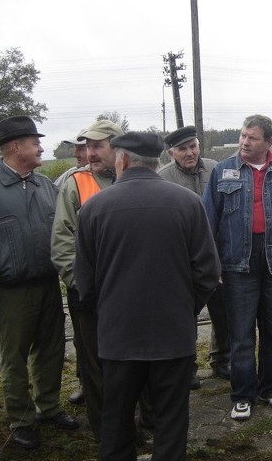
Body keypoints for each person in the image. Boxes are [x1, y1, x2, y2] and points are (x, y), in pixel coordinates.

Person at [74, 132, 221, 461]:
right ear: (157, 161)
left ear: (123, 159)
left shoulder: (94, 209)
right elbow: (208, 272)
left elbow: (85, 282)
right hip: (173, 333)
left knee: (117, 420)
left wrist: (110, 312)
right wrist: (185, 309)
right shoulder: (189, 204)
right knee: (171, 419)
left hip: (118, 337)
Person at [202, 115, 272, 421]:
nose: (244, 142)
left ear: (268, 143)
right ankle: (242, 395)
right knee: (240, 334)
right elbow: (207, 221)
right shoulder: (223, 171)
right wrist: (210, 264)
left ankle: (270, 388)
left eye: (252, 138)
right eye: (242, 136)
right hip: (236, 264)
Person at [0, 116, 79, 450]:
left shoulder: (45, 185)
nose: (40, 148)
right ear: (16, 147)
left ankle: (49, 407)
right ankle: (21, 419)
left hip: (49, 285)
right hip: (11, 290)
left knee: (51, 350)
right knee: (14, 357)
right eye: (35, 143)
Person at [51, 119, 122, 439]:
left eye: (98, 146)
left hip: (128, 291)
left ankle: (138, 419)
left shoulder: (130, 178)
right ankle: (104, 427)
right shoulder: (75, 183)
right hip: (89, 293)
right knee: (94, 364)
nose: (90, 153)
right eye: (88, 147)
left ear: (117, 148)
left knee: (132, 360)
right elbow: (62, 241)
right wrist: (78, 283)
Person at [159, 126, 230, 387]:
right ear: (171, 153)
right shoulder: (163, 178)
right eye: (182, 149)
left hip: (218, 257)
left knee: (223, 314)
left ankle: (222, 360)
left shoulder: (216, 168)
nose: (189, 153)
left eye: (193, 146)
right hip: (184, 261)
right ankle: (186, 366)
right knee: (184, 317)